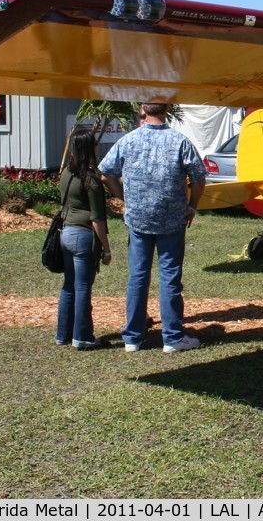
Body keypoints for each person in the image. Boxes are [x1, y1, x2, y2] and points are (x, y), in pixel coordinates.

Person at [99, 102, 207, 353]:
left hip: (138, 220)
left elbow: (105, 173)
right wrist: (191, 206)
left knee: (138, 277)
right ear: (167, 108)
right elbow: (200, 178)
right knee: (170, 278)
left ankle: (132, 338)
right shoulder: (180, 141)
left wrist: (125, 199)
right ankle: (172, 338)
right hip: (171, 221)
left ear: (144, 110)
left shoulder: (128, 141)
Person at [56, 128, 112, 351]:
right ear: (89, 149)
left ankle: (63, 334)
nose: (97, 146)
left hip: (66, 233)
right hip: (83, 235)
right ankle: (83, 336)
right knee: (83, 288)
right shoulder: (91, 180)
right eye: (95, 144)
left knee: (68, 286)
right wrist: (106, 249)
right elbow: (97, 218)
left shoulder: (66, 173)